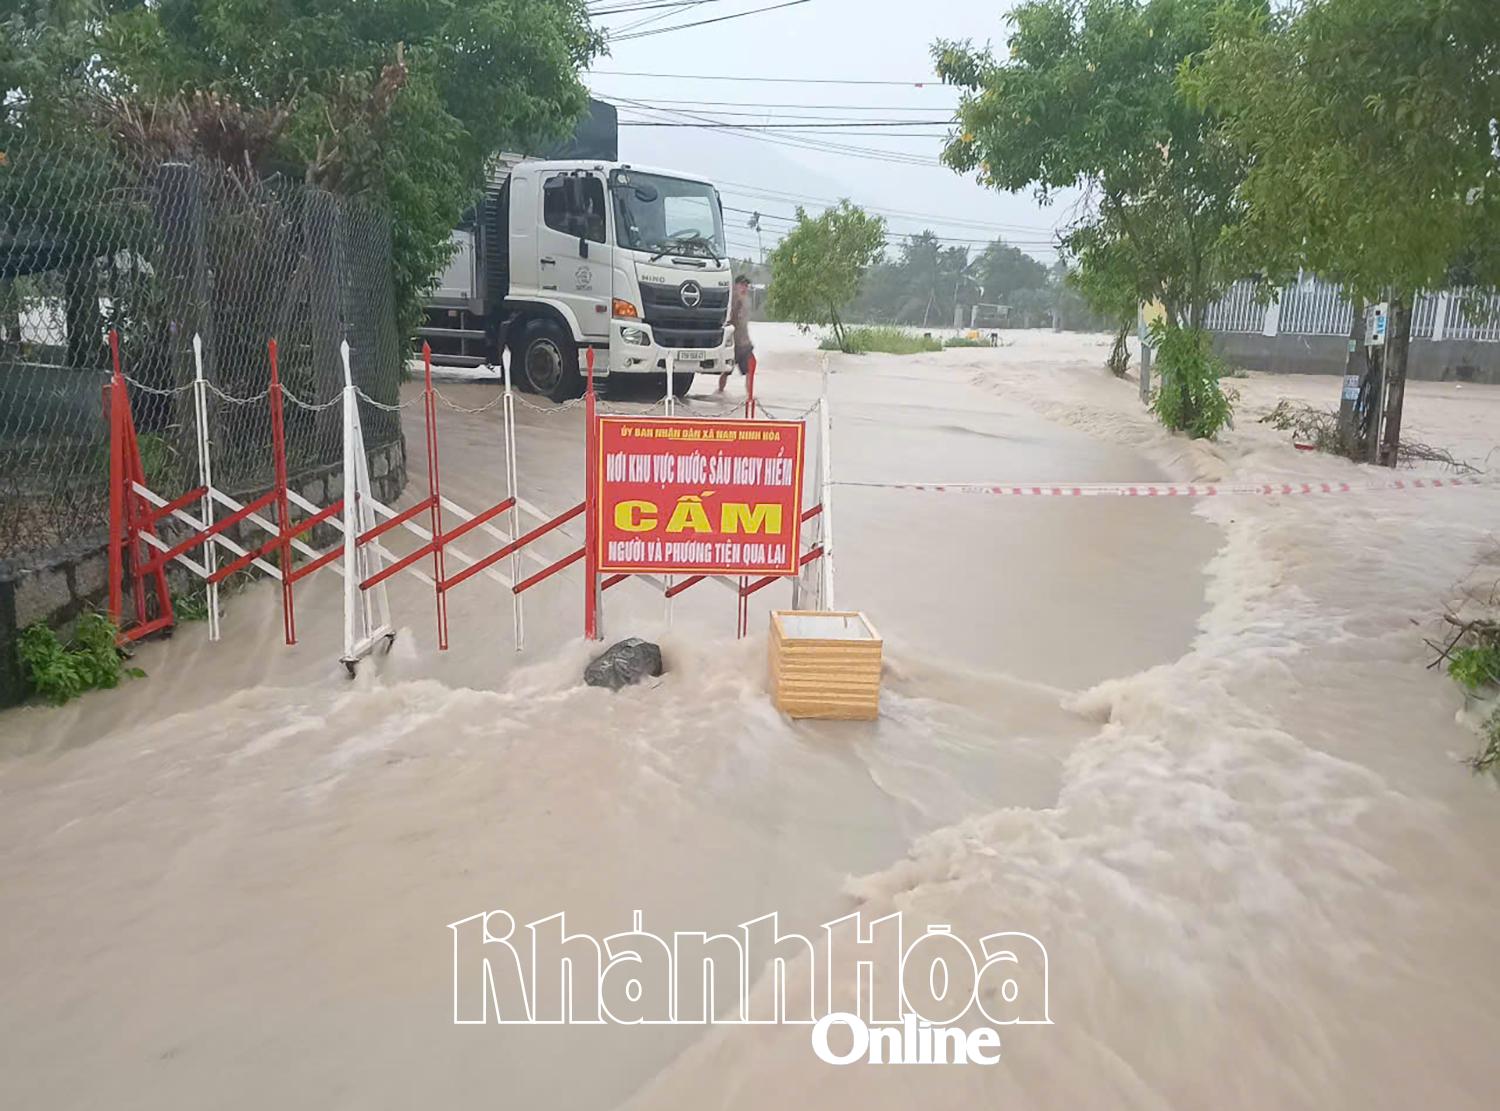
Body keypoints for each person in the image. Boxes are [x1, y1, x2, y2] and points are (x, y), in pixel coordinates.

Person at [720, 275, 754, 392]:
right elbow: (730, 319)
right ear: (736, 285)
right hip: (734, 343)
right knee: (726, 371)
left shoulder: (747, 300)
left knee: (750, 370)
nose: (745, 287)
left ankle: (749, 396)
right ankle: (720, 392)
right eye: (742, 285)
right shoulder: (732, 299)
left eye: (746, 285)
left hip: (745, 343)